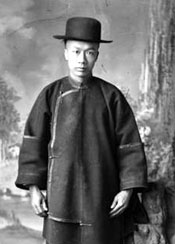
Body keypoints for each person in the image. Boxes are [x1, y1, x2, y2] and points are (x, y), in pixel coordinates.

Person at [15, 17, 148, 244]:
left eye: (90, 53)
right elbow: (34, 142)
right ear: (65, 52)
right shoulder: (50, 95)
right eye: (76, 51)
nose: (82, 60)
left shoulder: (111, 97)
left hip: (101, 196)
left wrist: (127, 191)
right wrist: (34, 189)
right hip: (60, 196)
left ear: (97, 55)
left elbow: (129, 147)